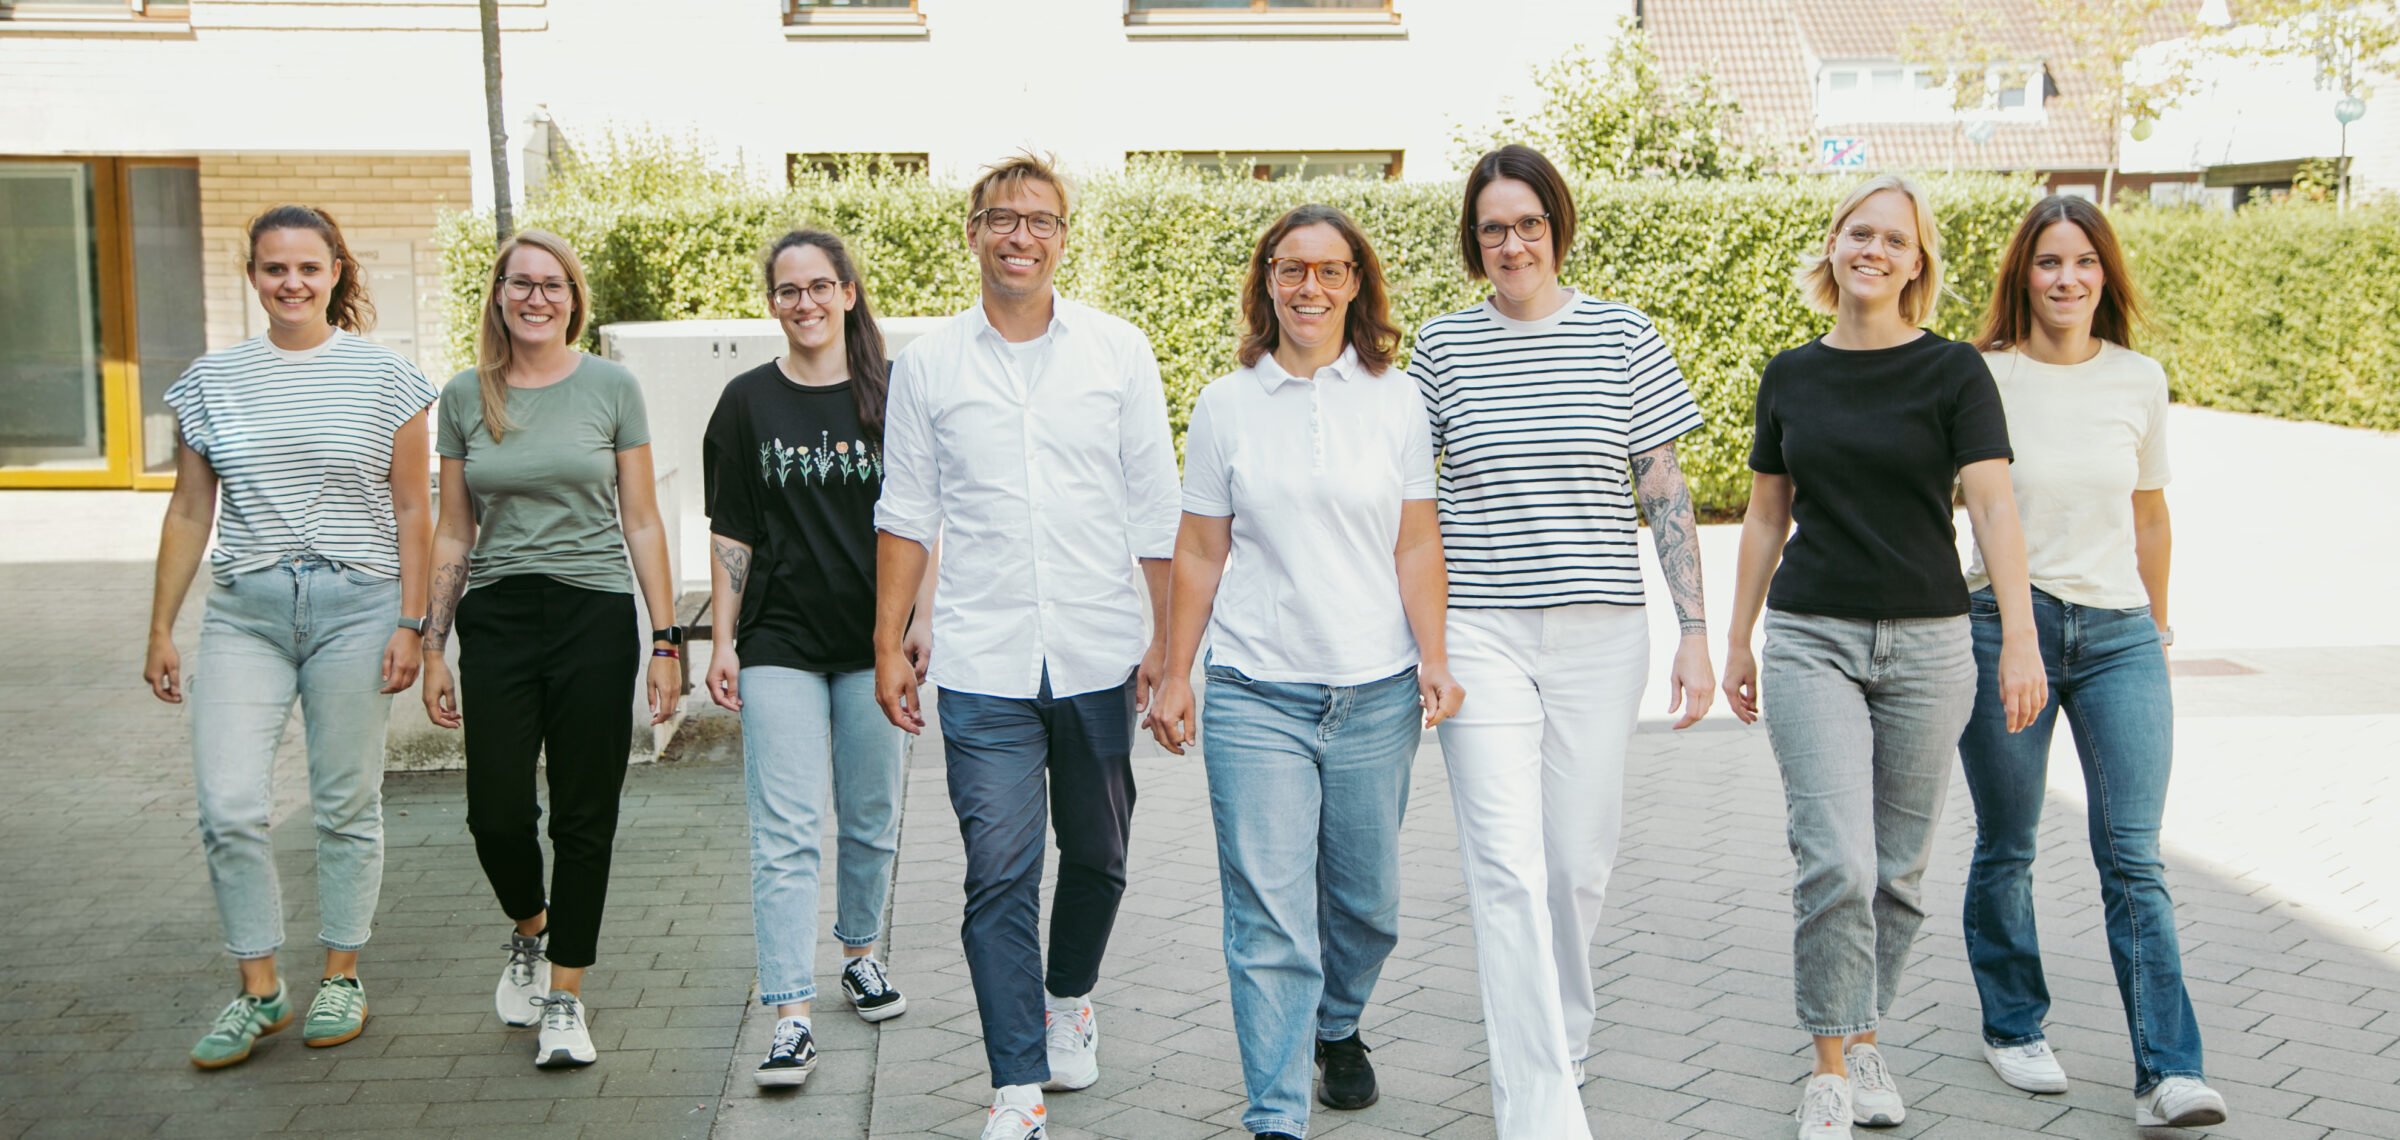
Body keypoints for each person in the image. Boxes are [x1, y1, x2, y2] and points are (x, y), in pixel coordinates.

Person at [1720, 173, 2045, 1140]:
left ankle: (1866, 1039)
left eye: (1895, 240)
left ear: (1918, 263)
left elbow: (1993, 509)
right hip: (1811, 637)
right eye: (1860, 233)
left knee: (1898, 872)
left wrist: (2019, 639)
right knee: (1835, 860)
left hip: (1931, 643)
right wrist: (1735, 637)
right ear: (1833, 245)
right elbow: (1766, 515)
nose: (1874, 250)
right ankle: (1829, 1067)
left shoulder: (1954, 372)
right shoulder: (1790, 374)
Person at [1404, 144, 1715, 1139]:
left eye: (1528, 224)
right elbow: (1408, 505)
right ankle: (1536, 1096)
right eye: (1492, 228)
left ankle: (1563, 1039)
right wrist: (1421, 645)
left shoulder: (1624, 336)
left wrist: (1694, 632)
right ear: (1474, 241)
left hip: (1601, 635)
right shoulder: (1442, 348)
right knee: (1506, 865)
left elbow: (1664, 489)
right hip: (1480, 632)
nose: (1512, 244)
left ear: (1557, 228)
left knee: (1576, 862)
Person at [872, 151, 1180, 1140]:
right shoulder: (928, 366)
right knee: (999, 873)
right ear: (972, 233)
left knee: (1099, 855)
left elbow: (1156, 508)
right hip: (983, 661)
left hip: (1098, 650)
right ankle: (1017, 1089)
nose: (1021, 236)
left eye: (1041, 220)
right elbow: (906, 513)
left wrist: (1170, 648)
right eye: (1002, 218)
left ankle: (1069, 995)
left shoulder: (1118, 352)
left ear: (1062, 238)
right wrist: (888, 643)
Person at [1146, 205, 1463, 1140]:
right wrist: (1176, 672)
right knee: (1270, 919)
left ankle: (1337, 1025)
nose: (1310, 288)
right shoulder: (1226, 403)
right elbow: (1200, 549)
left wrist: (1435, 656)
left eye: (1330, 270)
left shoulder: (1397, 400)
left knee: (1368, 907)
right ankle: (1276, 1117)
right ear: (1267, 282)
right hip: (1256, 693)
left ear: (1357, 283)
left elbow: (1416, 542)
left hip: (1375, 692)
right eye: (1291, 269)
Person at [146, 204, 437, 1070]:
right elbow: (190, 509)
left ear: (335, 272)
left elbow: (413, 508)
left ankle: (341, 975)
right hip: (247, 612)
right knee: (229, 806)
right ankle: (261, 989)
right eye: (275, 268)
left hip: (359, 607)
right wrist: (160, 626)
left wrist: (413, 624)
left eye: (309, 267)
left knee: (345, 803)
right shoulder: (211, 380)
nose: (292, 283)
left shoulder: (386, 377)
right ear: (253, 276)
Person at [1957, 195, 2227, 1129]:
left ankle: (2169, 1072)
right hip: (2006, 628)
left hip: (2120, 637)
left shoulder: (2139, 378)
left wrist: (2159, 629)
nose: (2066, 279)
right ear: (2022, 275)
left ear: (2105, 275)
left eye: (2083, 262)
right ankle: (2013, 1025)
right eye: (2048, 262)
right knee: (2009, 843)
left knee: (2134, 856)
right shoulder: (1982, 374)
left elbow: (2150, 514)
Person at [419, 229, 682, 1070]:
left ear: (573, 298)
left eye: (553, 284)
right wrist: (432, 645)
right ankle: (531, 930)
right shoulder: (466, 395)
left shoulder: (611, 387)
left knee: (583, 814)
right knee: (494, 812)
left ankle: (565, 995)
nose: (537, 297)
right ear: (498, 295)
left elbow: (641, 519)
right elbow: (452, 529)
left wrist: (665, 640)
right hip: (497, 616)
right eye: (521, 283)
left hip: (593, 613)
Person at [702, 229, 937, 1088]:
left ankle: (861, 954)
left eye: (818, 286)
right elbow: (732, 530)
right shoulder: (746, 401)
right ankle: (789, 1013)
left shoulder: (894, 392)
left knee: (871, 816)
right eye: (787, 290)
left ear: (847, 292)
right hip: (781, 642)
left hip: (874, 644)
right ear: (773, 302)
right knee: (786, 830)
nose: (804, 302)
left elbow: (925, 512)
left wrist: (920, 618)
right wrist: (722, 640)